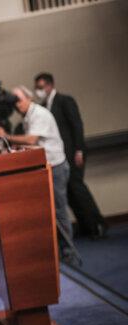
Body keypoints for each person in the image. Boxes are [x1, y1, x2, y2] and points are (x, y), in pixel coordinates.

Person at [0, 86, 79, 266]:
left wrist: (5, 136)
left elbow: (32, 140)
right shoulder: (27, 117)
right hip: (44, 166)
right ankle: (58, 252)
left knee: (59, 211)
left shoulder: (39, 114)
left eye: (18, 100)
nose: (16, 105)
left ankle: (69, 252)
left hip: (56, 166)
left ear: (29, 98)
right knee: (49, 212)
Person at [34, 72, 106, 239]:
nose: (38, 91)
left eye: (41, 87)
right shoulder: (45, 107)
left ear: (50, 85)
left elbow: (76, 125)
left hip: (73, 152)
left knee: (78, 189)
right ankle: (86, 225)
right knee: (70, 193)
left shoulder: (64, 101)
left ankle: (97, 224)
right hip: (60, 156)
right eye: (36, 88)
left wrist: (79, 149)